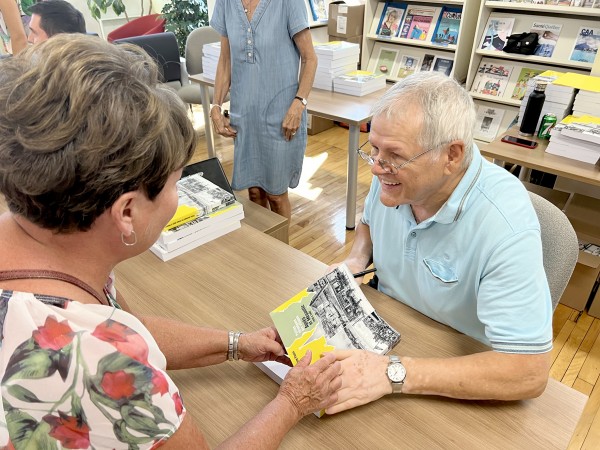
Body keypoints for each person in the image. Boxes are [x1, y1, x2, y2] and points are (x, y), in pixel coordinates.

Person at [0, 35, 341, 449]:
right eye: (177, 183)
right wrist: (292, 400)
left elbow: (131, 329)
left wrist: (237, 343)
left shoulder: (38, 238)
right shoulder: (96, 354)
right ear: (127, 212)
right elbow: (119, 346)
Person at [325, 72, 552, 414]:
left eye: (393, 156)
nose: (376, 168)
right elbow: (369, 221)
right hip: (390, 326)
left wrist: (391, 373)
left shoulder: (506, 224)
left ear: (452, 156)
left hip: (456, 363)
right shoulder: (392, 174)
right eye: (373, 150)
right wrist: (357, 258)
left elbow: (529, 373)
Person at [209, 0, 317, 223]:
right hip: (245, 114)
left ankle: (282, 254)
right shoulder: (227, 3)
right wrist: (216, 106)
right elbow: (225, 60)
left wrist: (299, 103)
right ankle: (264, 253)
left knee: (276, 195)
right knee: (254, 192)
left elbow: (310, 58)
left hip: (282, 113)